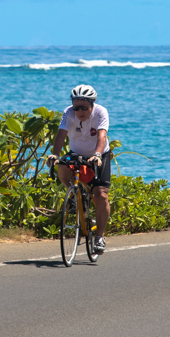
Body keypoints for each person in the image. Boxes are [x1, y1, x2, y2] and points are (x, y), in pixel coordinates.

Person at [47, 84, 111, 254]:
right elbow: (61, 134)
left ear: (92, 105)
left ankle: (99, 237)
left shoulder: (101, 112)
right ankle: (74, 193)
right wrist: (54, 154)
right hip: (76, 154)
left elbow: (102, 135)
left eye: (84, 107)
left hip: (99, 155)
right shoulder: (68, 113)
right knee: (61, 165)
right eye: (77, 107)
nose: (80, 111)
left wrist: (97, 154)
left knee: (101, 194)